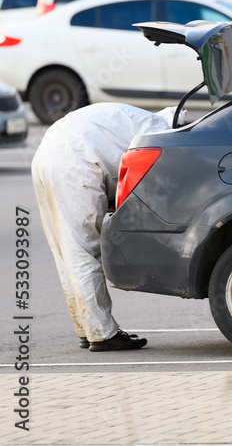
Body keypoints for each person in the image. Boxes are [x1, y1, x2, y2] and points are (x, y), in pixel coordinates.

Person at [31, 103, 173, 352]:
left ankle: (87, 328)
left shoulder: (141, 120)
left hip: (47, 154)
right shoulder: (160, 134)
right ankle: (103, 333)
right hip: (74, 161)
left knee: (66, 250)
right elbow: (145, 193)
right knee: (83, 250)